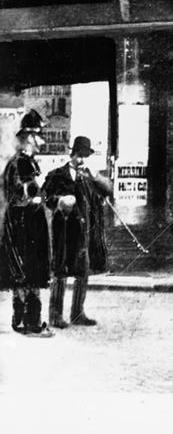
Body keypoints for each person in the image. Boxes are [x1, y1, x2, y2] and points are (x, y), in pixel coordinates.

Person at [45, 136, 113, 328]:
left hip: (83, 232)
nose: (81, 160)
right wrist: (59, 201)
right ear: (71, 154)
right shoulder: (57, 175)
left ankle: (77, 313)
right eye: (78, 156)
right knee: (60, 271)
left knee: (82, 271)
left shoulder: (88, 177)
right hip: (64, 231)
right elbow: (47, 198)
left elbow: (109, 190)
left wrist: (96, 177)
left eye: (84, 156)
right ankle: (55, 316)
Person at [0, 112, 53, 336]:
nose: (42, 141)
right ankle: (27, 323)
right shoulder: (20, 163)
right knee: (27, 271)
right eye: (39, 137)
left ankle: (23, 321)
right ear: (29, 138)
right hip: (24, 226)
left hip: (27, 224)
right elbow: (20, 194)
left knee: (26, 272)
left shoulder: (24, 162)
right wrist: (38, 197)